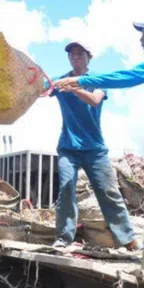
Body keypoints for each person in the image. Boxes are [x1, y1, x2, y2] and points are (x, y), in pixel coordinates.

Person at [48, 41, 142, 251]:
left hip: (95, 149)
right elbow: (38, 88)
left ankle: (128, 239)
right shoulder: (59, 81)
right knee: (66, 186)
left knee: (109, 192)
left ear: (89, 57)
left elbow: (94, 100)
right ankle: (64, 238)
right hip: (68, 148)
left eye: (80, 53)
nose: (75, 57)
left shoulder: (97, 80)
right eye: (71, 54)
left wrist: (74, 87)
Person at [54, 22, 144, 90]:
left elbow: (127, 77)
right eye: (72, 54)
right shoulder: (62, 78)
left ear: (89, 56)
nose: (140, 39)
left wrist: (79, 81)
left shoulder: (94, 76)